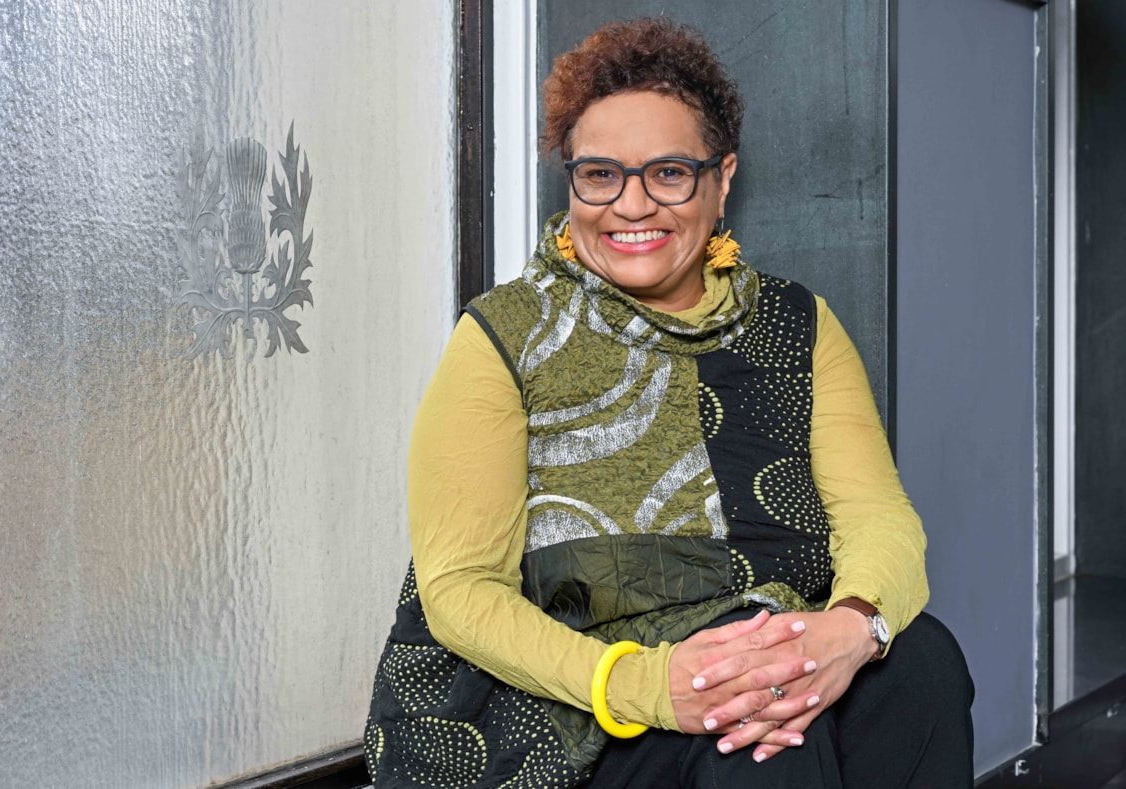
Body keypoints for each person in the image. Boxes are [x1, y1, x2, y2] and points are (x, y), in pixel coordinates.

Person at [365, 16, 974, 789]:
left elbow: (880, 518)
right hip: (582, 705)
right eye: (600, 174)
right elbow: (457, 588)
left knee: (923, 668)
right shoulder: (505, 336)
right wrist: (647, 686)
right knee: (758, 739)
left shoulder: (797, 324)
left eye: (668, 173)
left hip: (766, 649)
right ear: (573, 181)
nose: (631, 204)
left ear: (721, 180)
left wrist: (853, 628)